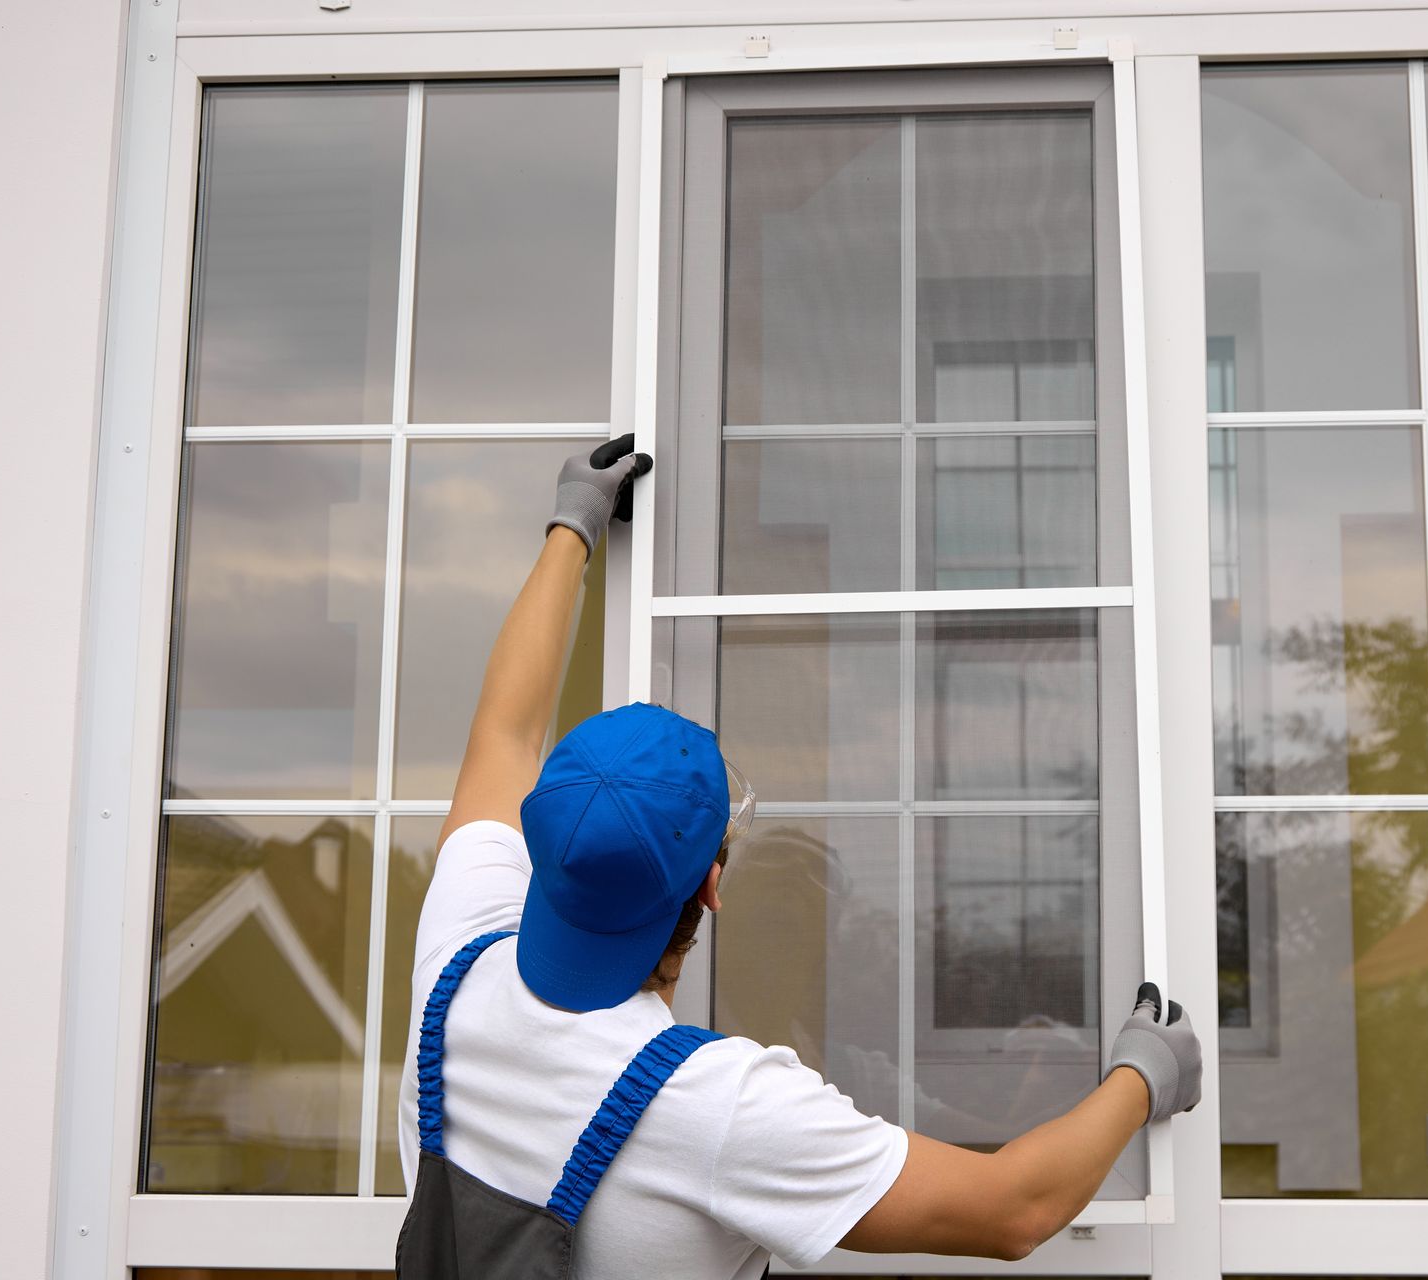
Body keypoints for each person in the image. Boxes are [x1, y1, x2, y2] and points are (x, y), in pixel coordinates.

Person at [396, 447, 1202, 1278]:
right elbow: (1012, 1210)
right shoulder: (714, 1111)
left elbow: (505, 732)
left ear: (538, 841)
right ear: (711, 888)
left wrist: (573, 523)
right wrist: (1143, 1076)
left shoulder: (456, 965)